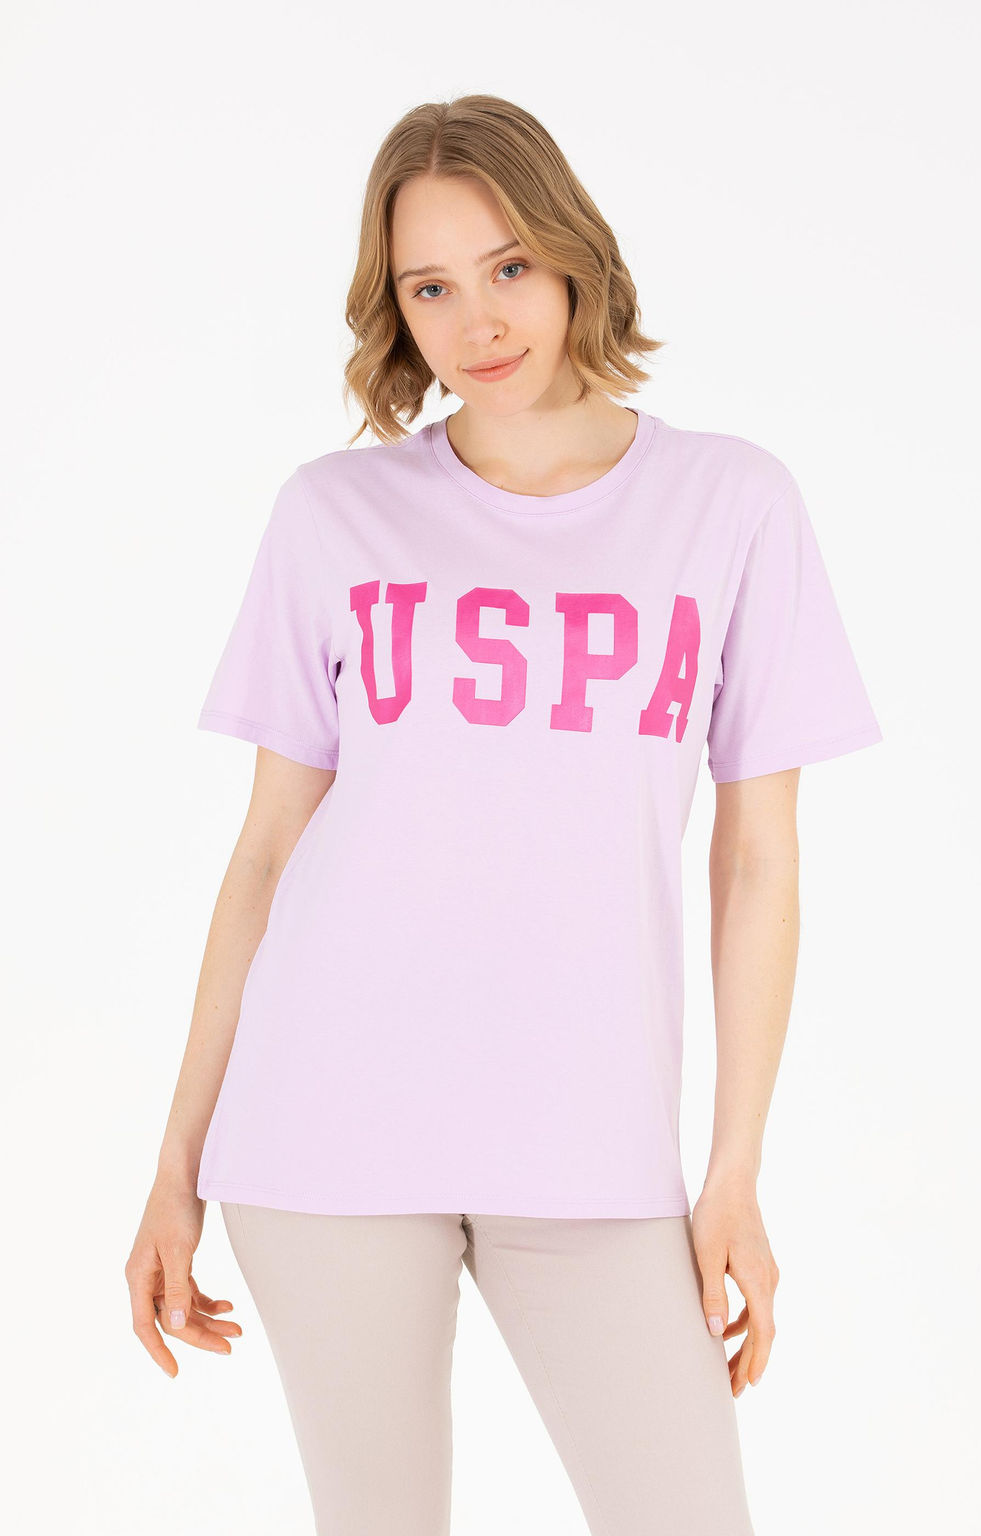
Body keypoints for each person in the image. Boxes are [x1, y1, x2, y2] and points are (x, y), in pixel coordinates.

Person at [125, 94, 883, 1535]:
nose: (477, 320)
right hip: (325, 1129)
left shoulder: (731, 504)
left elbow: (757, 862)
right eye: (430, 286)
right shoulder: (333, 514)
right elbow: (268, 853)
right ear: (394, 307)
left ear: (574, 254)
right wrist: (175, 1168)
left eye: (510, 266)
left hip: (590, 1143)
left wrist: (733, 1171)